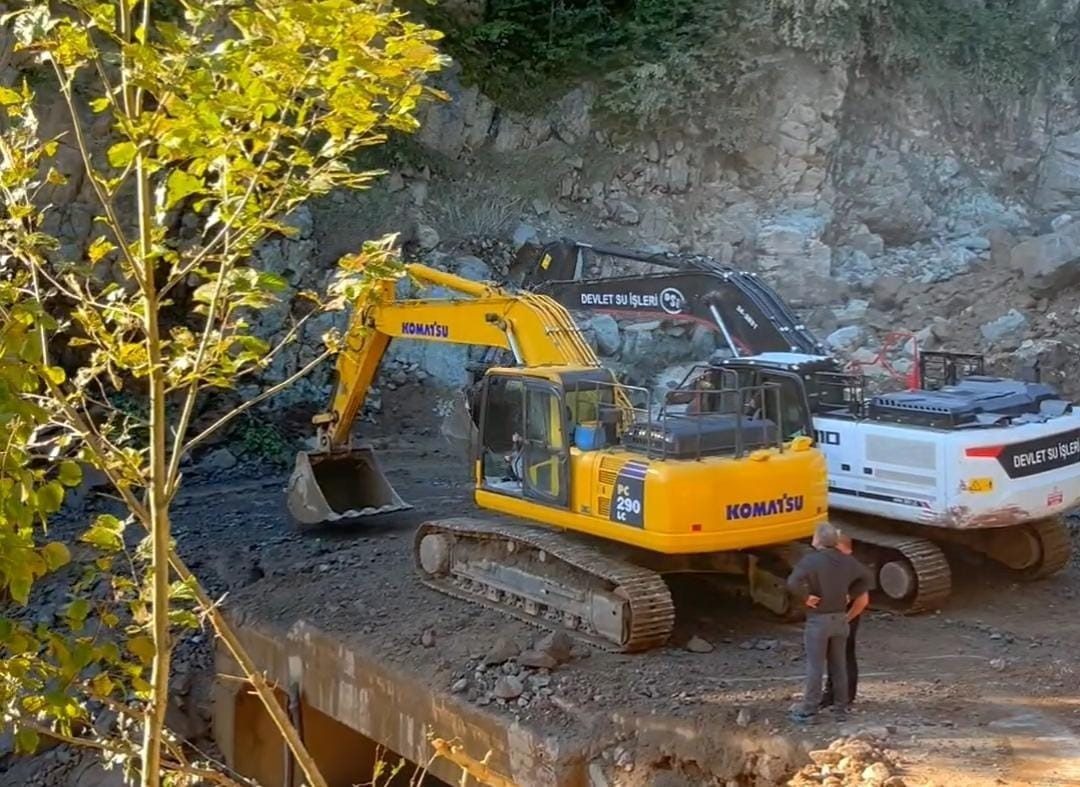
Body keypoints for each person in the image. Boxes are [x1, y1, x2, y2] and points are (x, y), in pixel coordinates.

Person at [786, 523, 872, 724]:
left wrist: (805, 597)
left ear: (818, 540)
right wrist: (850, 594)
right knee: (839, 664)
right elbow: (867, 578)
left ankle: (808, 710)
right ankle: (841, 709)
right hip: (841, 619)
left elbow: (792, 582)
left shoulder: (811, 561)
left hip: (819, 619)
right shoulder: (847, 561)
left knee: (815, 666)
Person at [818, 532, 866, 709]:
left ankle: (844, 697)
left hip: (845, 619)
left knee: (844, 655)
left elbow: (862, 601)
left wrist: (846, 619)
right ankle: (831, 693)